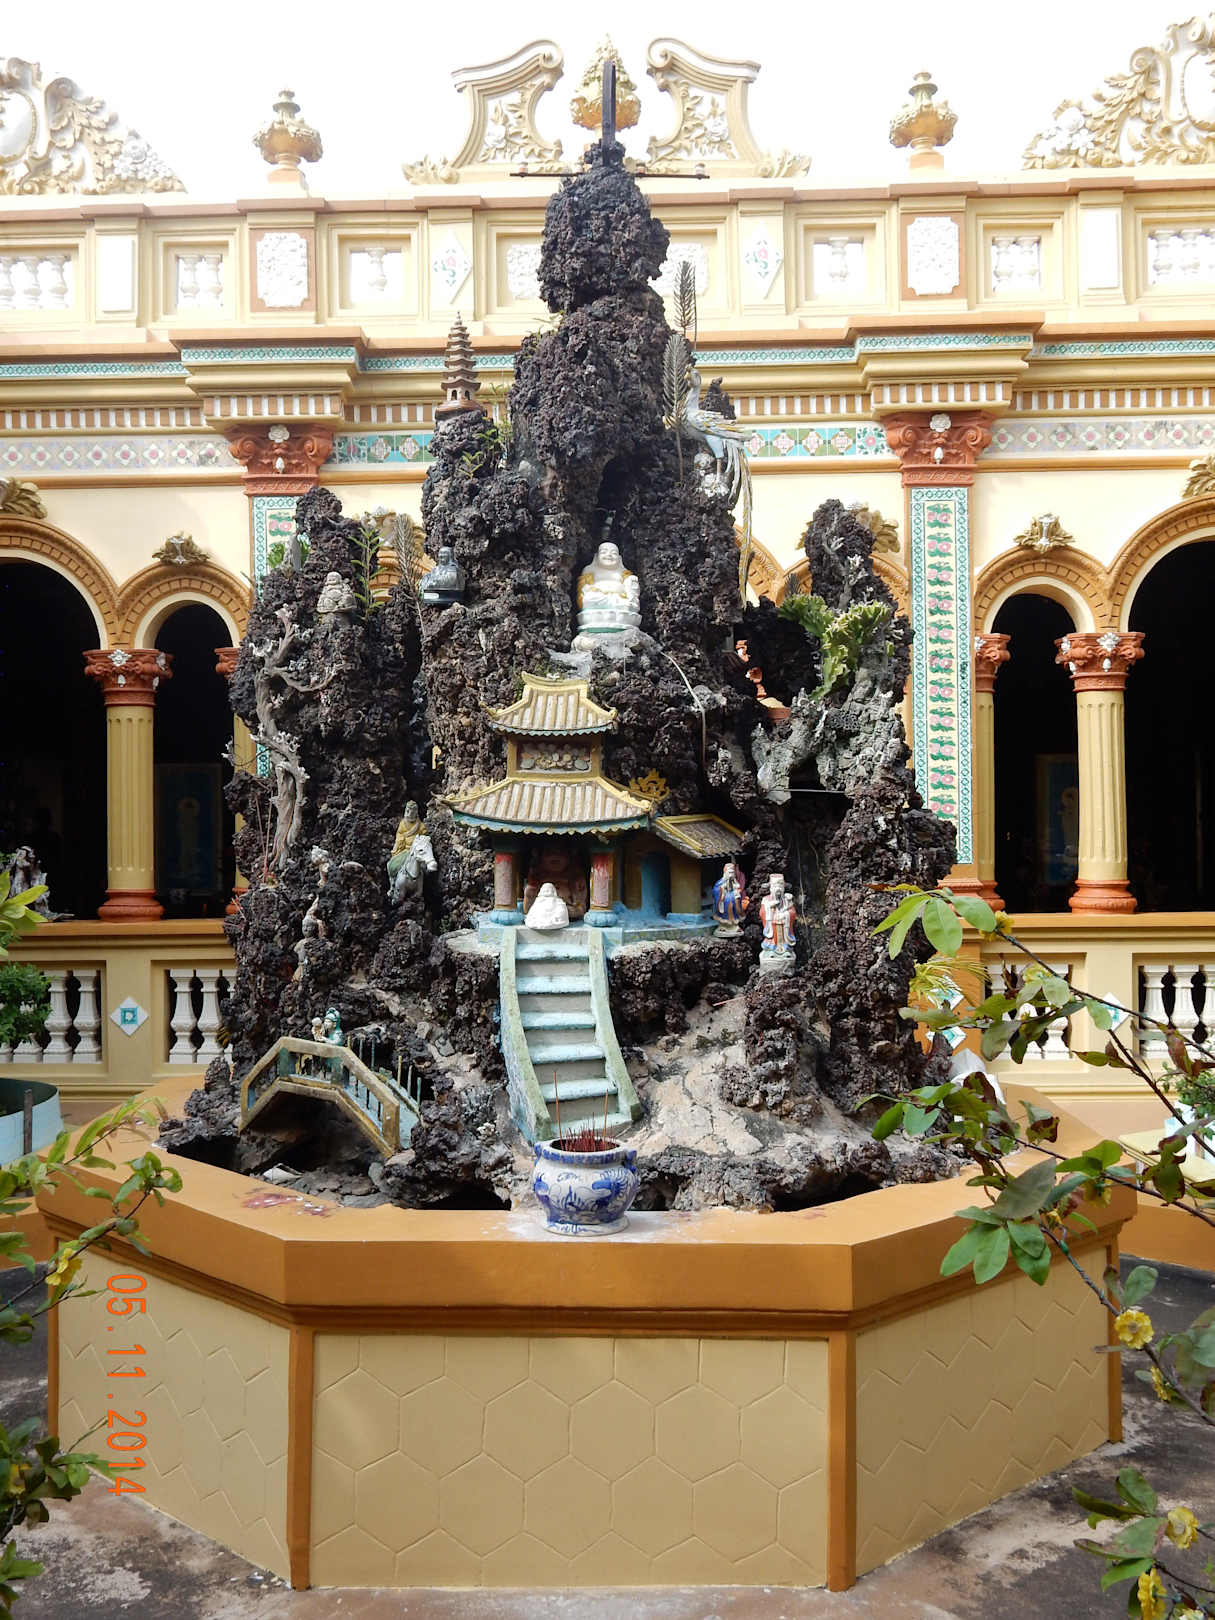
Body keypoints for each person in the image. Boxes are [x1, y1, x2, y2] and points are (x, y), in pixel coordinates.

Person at [759, 873, 797, 956]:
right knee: (772, 938)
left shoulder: (787, 899)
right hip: (772, 925)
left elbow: (793, 912)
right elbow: (762, 913)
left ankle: (786, 949)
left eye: (780, 886)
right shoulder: (766, 899)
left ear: (783, 888)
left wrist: (786, 914)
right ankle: (771, 949)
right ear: (771, 888)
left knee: (784, 940)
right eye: (775, 887)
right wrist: (769, 907)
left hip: (784, 926)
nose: (778, 889)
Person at [712, 861, 748, 936]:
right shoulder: (720, 882)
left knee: (736, 903)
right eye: (729, 872)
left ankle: (735, 926)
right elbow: (716, 890)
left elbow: (738, 887)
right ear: (725, 873)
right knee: (727, 903)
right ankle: (723, 925)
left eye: (732, 873)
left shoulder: (734, 881)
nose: (731, 875)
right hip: (725, 900)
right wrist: (722, 891)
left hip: (734, 899)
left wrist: (737, 892)